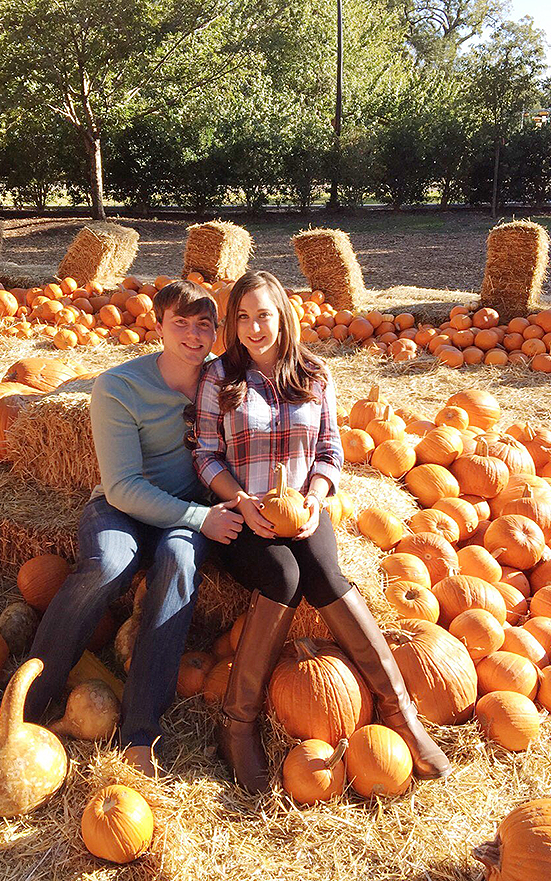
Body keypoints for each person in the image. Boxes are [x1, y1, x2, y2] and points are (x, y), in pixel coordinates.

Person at [192, 270, 451, 794]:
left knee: (323, 570)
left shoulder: (315, 373)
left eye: (263, 314)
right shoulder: (218, 377)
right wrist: (238, 498)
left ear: (283, 315)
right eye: (241, 317)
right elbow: (205, 454)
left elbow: (331, 452)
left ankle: (400, 713)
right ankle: (237, 726)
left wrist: (314, 499)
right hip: (243, 514)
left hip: (304, 509)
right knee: (283, 578)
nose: (253, 327)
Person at [23, 280, 243, 776]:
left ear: (217, 332)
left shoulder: (222, 382)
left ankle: (141, 729)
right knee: (109, 565)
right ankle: (32, 695)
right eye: (180, 323)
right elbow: (121, 487)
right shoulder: (118, 387)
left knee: (178, 561)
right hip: (122, 509)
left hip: (186, 510)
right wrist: (202, 517)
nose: (192, 334)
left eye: (204, 324)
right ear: (158, 325)